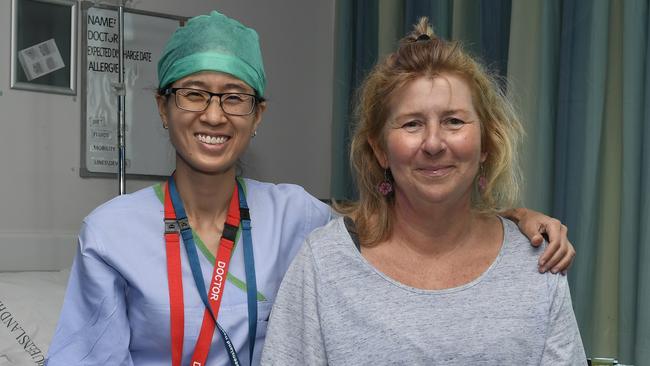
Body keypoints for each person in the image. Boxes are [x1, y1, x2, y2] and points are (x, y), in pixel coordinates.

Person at [46, 11, 575, 366]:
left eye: (234, 97)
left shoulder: (295, 215)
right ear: (162, 107)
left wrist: (513, 218)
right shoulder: (110, 234)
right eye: (193, 94)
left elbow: (409, 209)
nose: (214, 113)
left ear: (258, 116)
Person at [261, 18, 586, 365]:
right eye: (412, 124)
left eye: (454, 121)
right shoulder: (322, 265)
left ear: (485, 144)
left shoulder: (536, 264)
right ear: (380, 149)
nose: (433, 143)